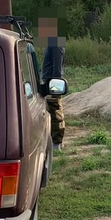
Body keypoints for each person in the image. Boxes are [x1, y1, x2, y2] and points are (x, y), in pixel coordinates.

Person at [39, 17, 65, 151]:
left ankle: (57, 143)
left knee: (55, 113)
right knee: (50, 111)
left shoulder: (56, 44)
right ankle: (53, 140)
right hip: (48, 81)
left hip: (53, 83)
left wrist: (55, 85)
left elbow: (57, 68)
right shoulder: (51, 43)